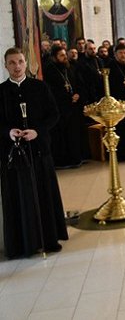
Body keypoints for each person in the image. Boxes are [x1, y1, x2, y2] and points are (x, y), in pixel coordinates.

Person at [1, 47, 68, 258]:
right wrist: (8, 132)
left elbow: (54, 115)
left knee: (43, 194)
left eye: (20, 62)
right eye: (12, 63)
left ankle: (48, 239)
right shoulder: (0, 92)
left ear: (25, 63)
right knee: (19, 197)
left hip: (39, 151)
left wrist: (37, 131)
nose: (17, 66)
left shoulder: (39, 87)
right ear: (5, 66)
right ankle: (23, 244)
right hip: (13, 156)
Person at [44, 46, 89, 168]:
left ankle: (76, 158)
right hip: (61, 109)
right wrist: (67, 97)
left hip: (74, 108)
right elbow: (51, 92)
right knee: (63, 136)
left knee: (74, 134)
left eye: (65, 55)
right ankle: (64, 161)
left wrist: (77, 95)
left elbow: (79, 84)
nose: (65, 58)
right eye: (61, 56)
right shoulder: (49, 71)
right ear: (54, 58)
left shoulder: (69, 68)